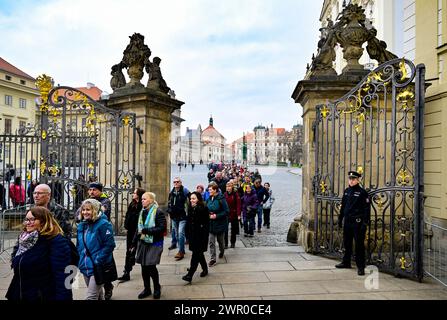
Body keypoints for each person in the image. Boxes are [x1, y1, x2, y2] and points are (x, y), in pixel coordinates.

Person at [6, 206, 73, 301]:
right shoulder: (24, 239)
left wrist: (64, 297)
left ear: (43, 221)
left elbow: (63, 274)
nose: (28, 223)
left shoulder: (56, 241)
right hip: (20, 293)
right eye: (26, 219)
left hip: (42, 295)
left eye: (32, 219)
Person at [76, 199, 116, 300]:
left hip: (98, 266)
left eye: (88, 210)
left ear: (95, 210)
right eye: (83, 209)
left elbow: (110, 245)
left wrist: (98, 260)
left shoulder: (103, 224)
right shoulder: (82, 225)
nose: (85, 212)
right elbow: (79, 245)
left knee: (91, 296)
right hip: (85, 265)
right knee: (98, 295)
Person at [336, 171, 371, 276]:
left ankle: (361, 267)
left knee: (359, 245)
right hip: (347, 222)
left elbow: (366, 209)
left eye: (353, 179)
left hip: (357, 223)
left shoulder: (362, 192)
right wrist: (340, 219)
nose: (351, 181)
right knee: (347, 243)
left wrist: (365, 223)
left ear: (358, 180)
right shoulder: (346, 191)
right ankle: (346, 262)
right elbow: (343, 207)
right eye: (350, 179)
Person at [133, 192, 166, 299]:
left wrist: (147, 230)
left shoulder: (158, 212)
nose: (142, 201)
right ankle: (147, 289)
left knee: (151, 266)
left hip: (155, 242)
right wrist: (133, 242)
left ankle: (157, 287)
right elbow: (138, 229)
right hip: (143, 241)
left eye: (144, 199)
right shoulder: (142, 211)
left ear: (151, 200)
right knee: (144, 266)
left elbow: (162, 229)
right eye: (142, 199)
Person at [118, 187, 146, 282]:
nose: (133, 194)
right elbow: (128, 215)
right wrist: (126, 224)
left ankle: (145, 271)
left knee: (139, 252)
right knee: (129, 251)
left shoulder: (142, 205)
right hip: (130, 231)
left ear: (139, 195)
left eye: (134, 193)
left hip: (138, 232)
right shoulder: (132, 203)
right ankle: (127, 272)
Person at [182, 192, 209, 283]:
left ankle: (190, 275)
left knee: (195, 255)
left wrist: (204, 236)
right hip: (192, 235)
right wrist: (187, 234)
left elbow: (206, 224)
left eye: (193, 199)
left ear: (198, 199)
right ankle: (205, 269)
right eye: (191, 199)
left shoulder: (203, 208)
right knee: (199, 254)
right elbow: (188, 221)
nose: (191, 200)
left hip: (200, 236)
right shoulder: (190, 208)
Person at [206, 182, 229, 267]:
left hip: (220, 224)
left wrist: (216, 215)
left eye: (210, 190)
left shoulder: (221, 199)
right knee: (211, 242)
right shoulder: (209, 199)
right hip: (211, 224)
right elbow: (206, 208)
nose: (209, 191)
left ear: (215, 190)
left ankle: (222, 251)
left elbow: (226, 211)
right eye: (208, 190)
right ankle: (213, 259)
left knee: (220, 242)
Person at [167, 177, 189, 261]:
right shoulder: (171, 192)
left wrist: (188, 212)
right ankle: (181, 249)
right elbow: (169, 203)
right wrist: (169, 210)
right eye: (174, 182)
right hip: (174, 217)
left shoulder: (185, 191)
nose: (176, 183)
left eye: (177, 182)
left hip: (182, 217)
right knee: (176, 235)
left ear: (180, 183)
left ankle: (180, 252)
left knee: (180, 233)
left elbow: (190, 199)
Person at [224, 181, 241, 249]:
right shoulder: (224, 194)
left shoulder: (235, 194)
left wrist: (238, 214)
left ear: (232, 187)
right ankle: (225, 243)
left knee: (233, 230)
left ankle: (233, 243)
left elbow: (238, 205)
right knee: (225, 230)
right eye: (227, 187)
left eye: (230, 186)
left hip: (234, 213)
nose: (228, 188)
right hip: (226, 214)